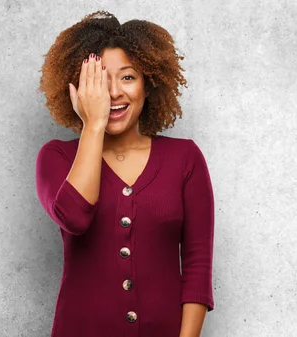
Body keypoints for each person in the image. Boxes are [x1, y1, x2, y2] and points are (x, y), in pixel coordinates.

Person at [35, 10, 215, 337]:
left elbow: (197, 269)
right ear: (78, 90)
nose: (114, 92)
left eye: (128, 77)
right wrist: (93, 125)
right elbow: (75, 217)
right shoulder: (56, 158)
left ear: (149, 84)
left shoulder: (185, 159)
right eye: (99, 80)